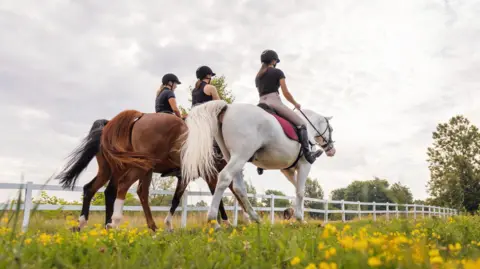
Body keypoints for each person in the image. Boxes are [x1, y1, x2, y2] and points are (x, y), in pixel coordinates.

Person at [255, 49, 322, 164]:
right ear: (274, 60)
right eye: (276, 61)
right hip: (274, 102)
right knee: (302, 124)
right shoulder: (277, 72)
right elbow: (285, 93)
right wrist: (295, 104)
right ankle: (308, 155)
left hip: (261, 103)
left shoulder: (258, 77)